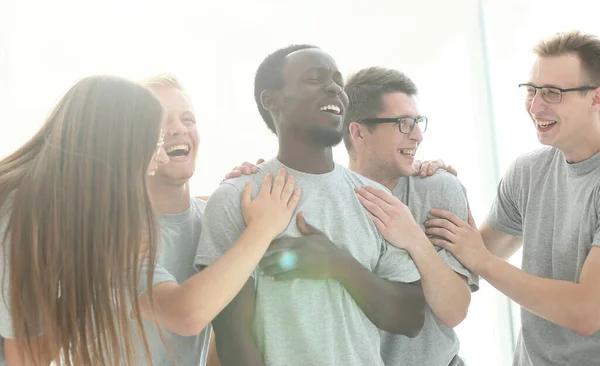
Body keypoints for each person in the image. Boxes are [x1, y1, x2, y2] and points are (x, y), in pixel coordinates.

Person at [194, 45, 425, 366]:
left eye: (337, 81)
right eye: (314, 79)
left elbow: (410, 318)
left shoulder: (377, 200)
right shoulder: (237, 197)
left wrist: (339, 265)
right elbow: (234, 338)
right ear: (271, 100)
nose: (333, 88)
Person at [424, 30, 600, 365]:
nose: (535, 106)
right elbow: (474, 251)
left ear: (595, 98)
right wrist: (438, 186)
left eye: (552, 93)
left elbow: (586, 312)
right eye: (531, 90)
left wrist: (483, 261)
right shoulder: (528, 172)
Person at [0, 75, 167, 365]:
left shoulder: (39, 198)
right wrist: (103, 267)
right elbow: (26, 361)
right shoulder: (28, 218)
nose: (160, 158)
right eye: (154, 144)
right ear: (118, 151)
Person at [134, 74, 300, 366]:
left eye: (188, 119)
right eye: (160, 120)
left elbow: (222, 336)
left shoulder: (212, 220)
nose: (177, 129)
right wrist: (262, 228)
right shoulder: (118, 232)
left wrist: (234, 199)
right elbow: (186, 315)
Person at [343, 66, 478, 365]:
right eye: (403, 123)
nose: (417, 135)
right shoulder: (332, 198)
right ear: (359, 132)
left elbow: (455, 311)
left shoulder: (439, 189)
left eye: (417, 122)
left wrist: (415, 240)